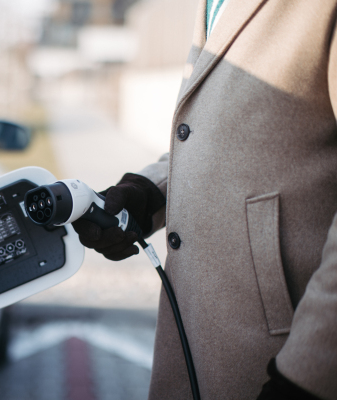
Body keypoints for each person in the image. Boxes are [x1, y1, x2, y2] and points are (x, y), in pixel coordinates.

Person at [72, 0, 337, 399]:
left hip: (278, 355)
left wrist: (307, 376)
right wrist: (147, 193)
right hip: (196, 343)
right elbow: (215, 136)